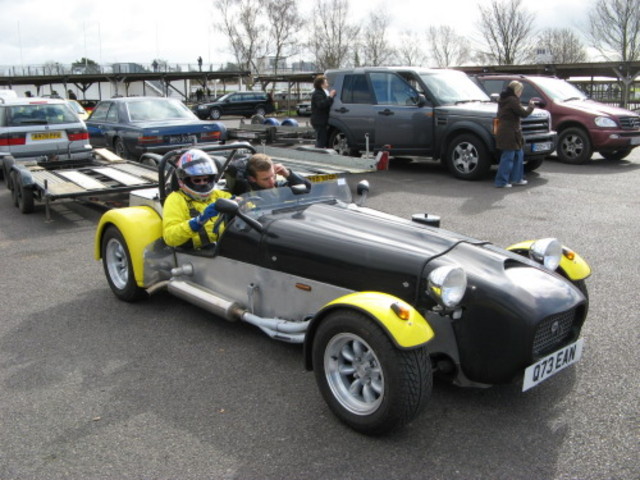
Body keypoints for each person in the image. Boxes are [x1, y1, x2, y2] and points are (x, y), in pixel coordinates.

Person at [163, 149, 232, 249]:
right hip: (197, 255)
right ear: (184, 180)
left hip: (225, 250)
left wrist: (245, 205)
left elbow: (245, 209)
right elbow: (170, 238)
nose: (202, 183)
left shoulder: (220, 195)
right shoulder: (175, 200)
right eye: (197, 180)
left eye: (206, 179)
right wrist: (197, 221)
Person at [494, 80, 536, 188]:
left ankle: (516, 178)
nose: (521, 93)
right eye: (520, 90)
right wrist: (531, 106)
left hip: (508, 130)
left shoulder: (502, 99)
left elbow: (499, 114)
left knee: (518, 154)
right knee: (508, 157)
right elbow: (524, 113)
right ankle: (501, 181)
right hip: (510, 131)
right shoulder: (512, 100)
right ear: (516, 90)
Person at [224, 153, 310, 195]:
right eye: (266, 179)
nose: (271, 182)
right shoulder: (245, 191)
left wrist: (288, 174)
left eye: (273, 176)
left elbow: (308, 189)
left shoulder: (277, 184)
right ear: (252, 179)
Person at [310, 75, 336, 148]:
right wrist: (330, 97)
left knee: (322, 139)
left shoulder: (322, 92)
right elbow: (321, 104)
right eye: (326, 82)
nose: (327, 83)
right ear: (321, 84)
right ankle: (318, 155)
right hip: (319, 121)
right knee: (321, 140)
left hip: (321, 120)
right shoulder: (318, 93)